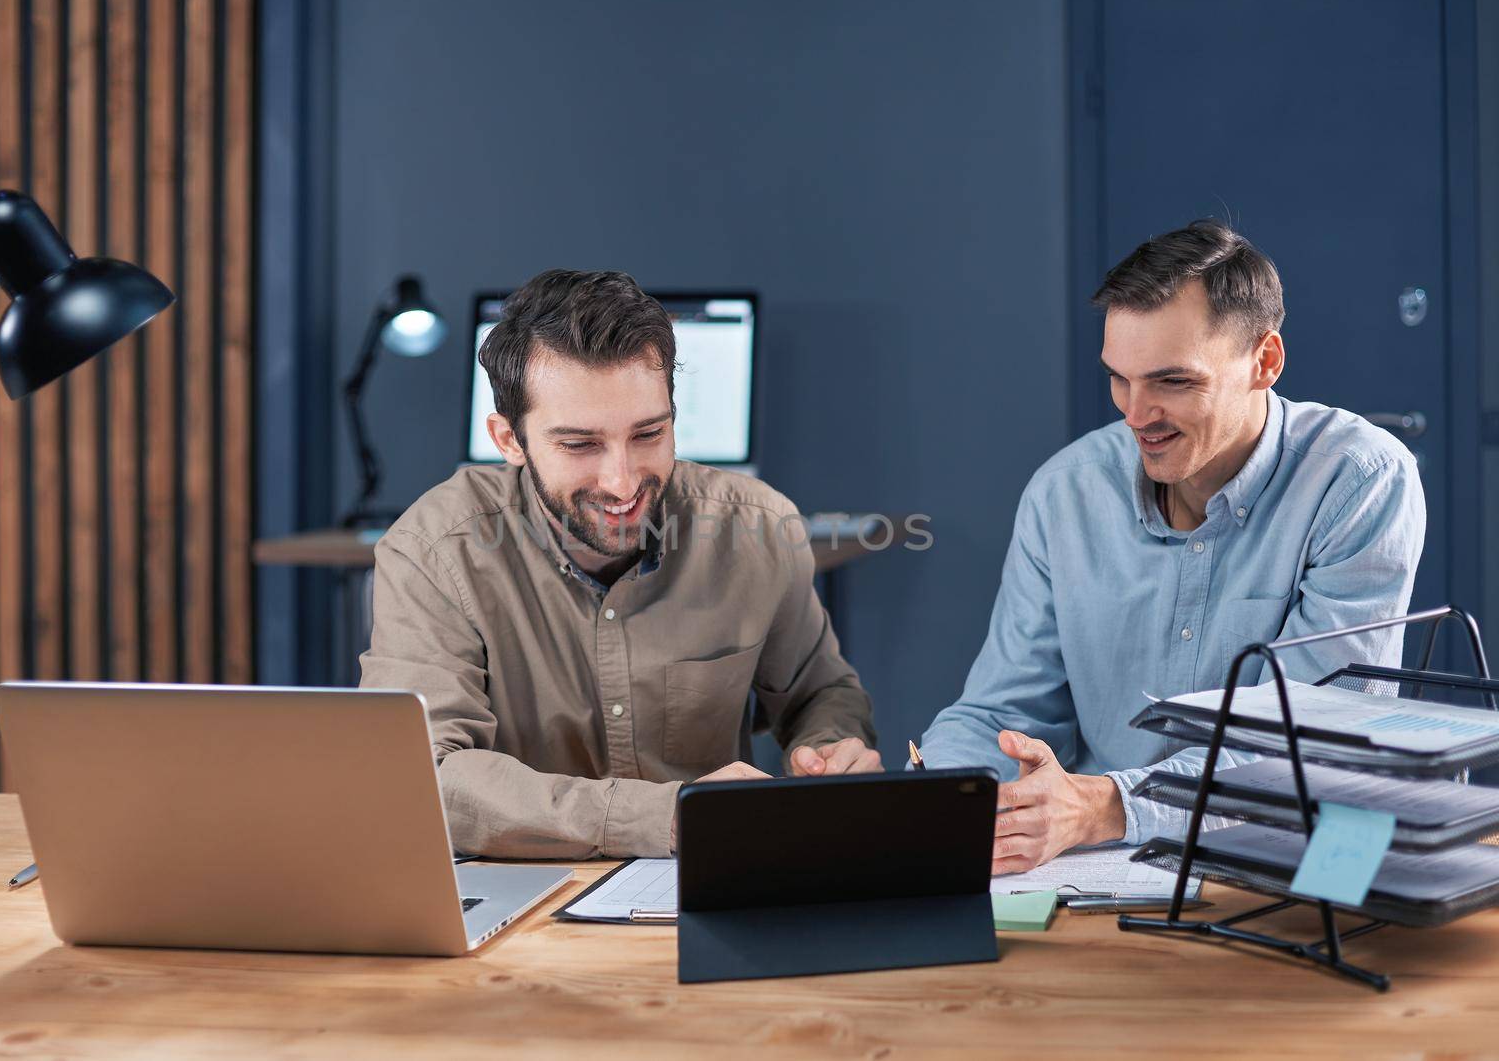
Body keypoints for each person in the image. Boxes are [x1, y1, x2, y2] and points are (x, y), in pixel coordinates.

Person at [920, 219, 1425, 874]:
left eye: (1172, 382)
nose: (1135, 414)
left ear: (1264, 362)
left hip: (1300, 857)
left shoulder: (1357, 479)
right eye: (1119, 379)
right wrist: (937, 799)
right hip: (1114, 867)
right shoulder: (1065, 492)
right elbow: (1001, 710)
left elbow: (1310, 750)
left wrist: (1104, 805)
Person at [361, 269, 878, 859]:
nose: (622, 481)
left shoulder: (758, 526)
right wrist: (667, 817)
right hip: (520, 905)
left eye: (648, 434)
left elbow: (821, 694)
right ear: (509, 439)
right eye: (580, 445)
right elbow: (423, 777)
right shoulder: (431, 551)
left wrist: (829, 747)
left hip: (710, 886)